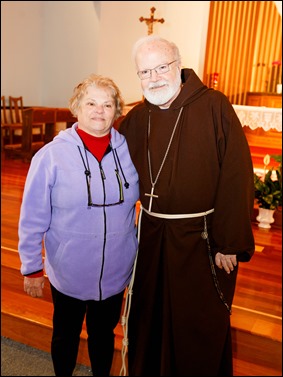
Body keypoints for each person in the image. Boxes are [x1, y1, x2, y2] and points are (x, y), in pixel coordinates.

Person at [118, 35, 255, 376]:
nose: (154, 78)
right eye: (145, 72)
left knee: (196, 325)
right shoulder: (137, 117)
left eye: (161, 67)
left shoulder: (214, 107)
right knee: (149, 317)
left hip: (201, 239)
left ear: (178, 65)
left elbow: (237, 177)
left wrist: (230, 242)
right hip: (150, 235)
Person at [18, 73, 139, 376]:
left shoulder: (130, 153)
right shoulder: (51, 156)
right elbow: (32, 215)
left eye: (108, 104)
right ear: (76, 107)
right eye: (91, 103)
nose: (100, 111)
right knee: (65, 335)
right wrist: (32, 266)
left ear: (117, 110)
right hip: (69, 269)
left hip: (114, 270)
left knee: (103, 336)